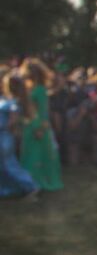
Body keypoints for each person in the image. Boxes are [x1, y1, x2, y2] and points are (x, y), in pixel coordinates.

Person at [19, 58, 63, 191]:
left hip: (38, 128)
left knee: (37, 157)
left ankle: (40, 182)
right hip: (30, 126)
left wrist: (41, 129)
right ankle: (31, 182)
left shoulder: (40, 90)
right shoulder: (32, 88)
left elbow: (44, 112)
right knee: (30, 155)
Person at [0, 74, 39, 200]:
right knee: (5, 165)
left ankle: (31, 186)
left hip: (4, 137)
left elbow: (13, 121)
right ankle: (8, 189)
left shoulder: (13, 103)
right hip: (4, 136)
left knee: (9, 164)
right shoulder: (9, 100)